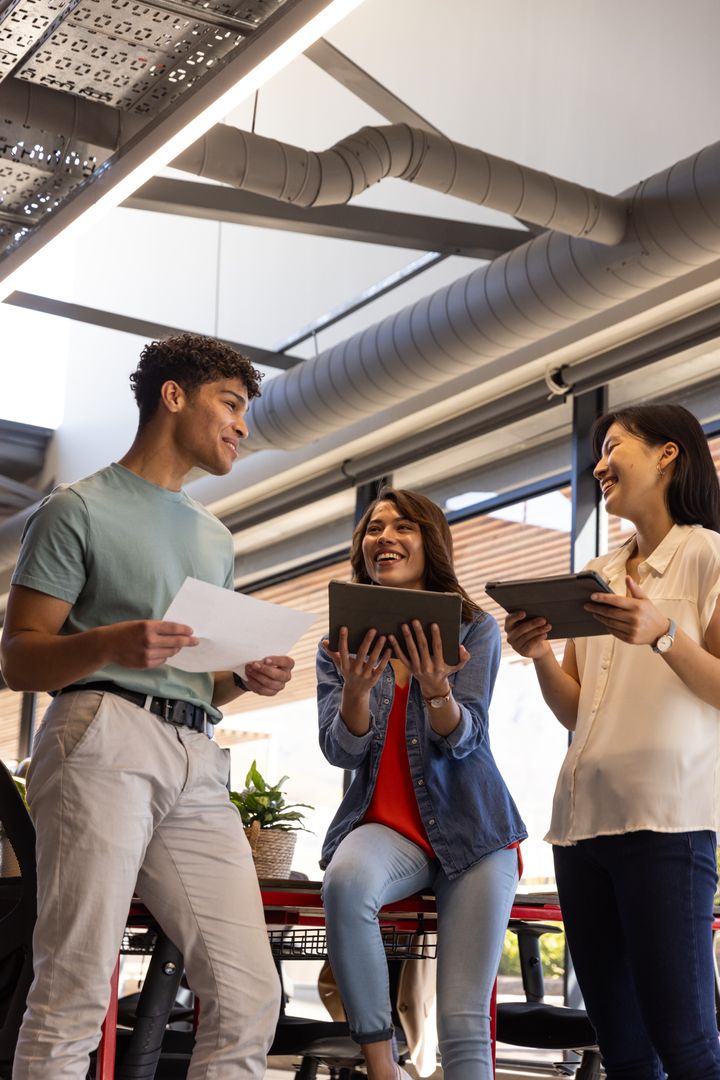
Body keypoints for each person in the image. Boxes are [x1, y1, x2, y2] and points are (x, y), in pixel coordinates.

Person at [0, 333, 295, 1080]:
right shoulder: (76, 510)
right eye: (231, 403)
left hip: (198, 755)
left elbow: (198, 676)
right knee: (74, 984)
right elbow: (19, 657)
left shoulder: (214, 536)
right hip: (101, 736)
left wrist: (242, 678)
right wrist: (109, 644)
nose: (242, 425)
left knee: (248, 993)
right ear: (174, 396)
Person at [505, 404, 720, 1080]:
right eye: (597, 449)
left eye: (614, 445)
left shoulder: (710, 555)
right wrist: (538, 653)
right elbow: (573, 705)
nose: (599, 463)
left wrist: (661, 634)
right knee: (624, 1050)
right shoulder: (597, 573)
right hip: (581, 826)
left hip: (666, 822)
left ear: (668, 455)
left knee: (685, 1044)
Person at [317, 488, 526, 1080]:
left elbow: (466, 740)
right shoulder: (338, 642)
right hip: (386, 830)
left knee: (463, 1023)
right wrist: (356, 691)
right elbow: (339, 750)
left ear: (428, 542)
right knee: (345, 882)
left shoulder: (471, 629)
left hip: (475, 831)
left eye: (402, 526)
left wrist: (438, 690)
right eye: (373, 528)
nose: (384, 536)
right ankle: (382, 1067)